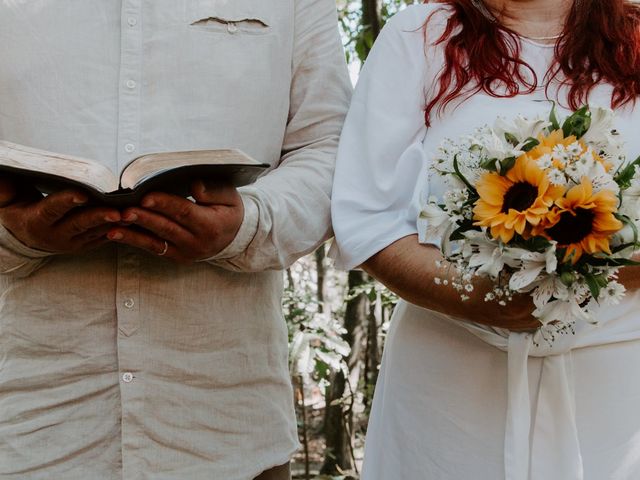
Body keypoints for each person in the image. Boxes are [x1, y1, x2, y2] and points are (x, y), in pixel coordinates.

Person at [0, 2, 351, 479]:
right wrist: (13, 229)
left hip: (230, 430)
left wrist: (248, 224)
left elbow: (328, 148)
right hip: (31, 426)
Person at [331, 0, 640, 478]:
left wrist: (599, 273)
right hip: (452, 388)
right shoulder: (421, 35)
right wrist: (477, 299)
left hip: (618, 392)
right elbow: (368, 215)